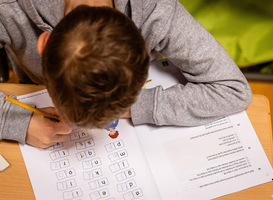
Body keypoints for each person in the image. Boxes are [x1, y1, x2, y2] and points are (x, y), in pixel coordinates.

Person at [0, 0, 252, 148]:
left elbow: (234, 89)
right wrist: (18, 122)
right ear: (44, 44)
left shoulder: (156, 10)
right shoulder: (7, 8)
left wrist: (133, 106)